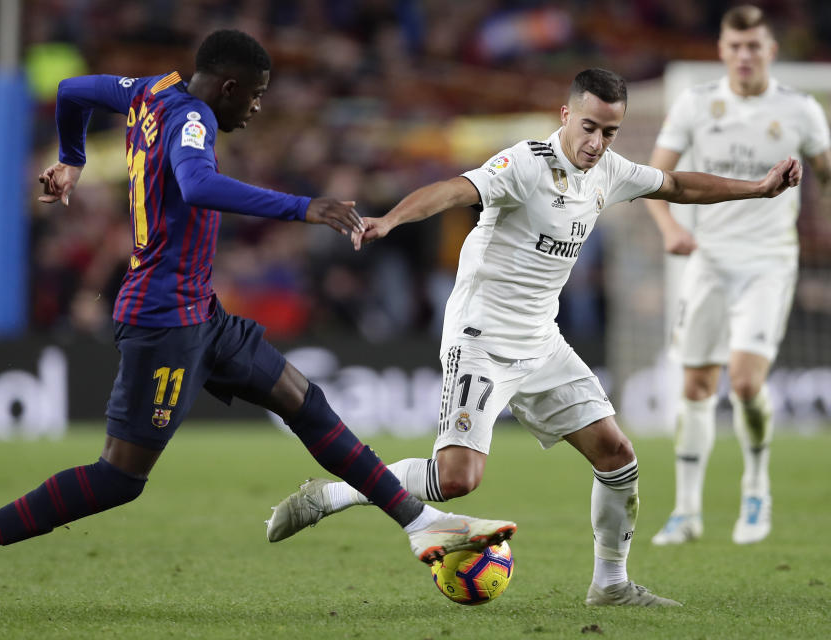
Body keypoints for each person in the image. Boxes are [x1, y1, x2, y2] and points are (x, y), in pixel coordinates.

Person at [0, 29, 517, 619]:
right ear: (228, 87)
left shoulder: (147, 91)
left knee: (304, 402)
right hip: (163, 321)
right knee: (118, 479)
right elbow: (197, 185)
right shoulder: (193, 119)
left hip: (199, 310)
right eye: (254, 96)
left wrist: (71, 159)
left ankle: (418, 524)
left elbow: (72, 91)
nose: (256, 109)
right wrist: (305, 207)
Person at [265, 67, 801, 607]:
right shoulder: (524, 163)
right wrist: (393, 220)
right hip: (481, 336)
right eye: (589, 127)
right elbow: (456, 188)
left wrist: (758, 188)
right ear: (566, 116)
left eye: (609, 132)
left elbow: (678, 184)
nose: (597, 143)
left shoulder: (609, 171)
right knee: (457, 480)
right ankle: (334, 493)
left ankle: (610, 584)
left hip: (542, 341)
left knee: (617, 455)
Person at [646, 6, 831, 547]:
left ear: (771, 51)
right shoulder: (696, 102)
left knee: (746, 382)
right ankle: (686, 510)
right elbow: (657, 177)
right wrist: (668, 228)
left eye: (755, 46)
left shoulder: (799, 110)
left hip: (770, 259)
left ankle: (756, 489)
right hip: (708, 258)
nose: (745, 55)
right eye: (735, 46)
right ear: (722, 51)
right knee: (695, 385)